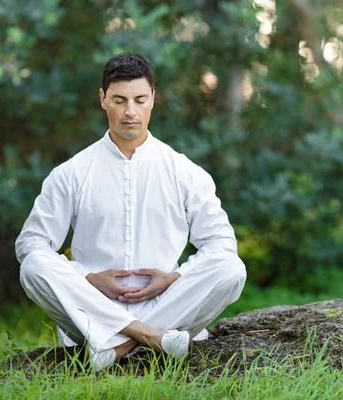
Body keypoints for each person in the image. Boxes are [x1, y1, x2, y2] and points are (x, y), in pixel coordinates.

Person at [16, 52, 246, 370]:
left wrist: (173, 278)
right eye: (120, 100)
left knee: (231, 268)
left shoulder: (184, 171)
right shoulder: (71, 172)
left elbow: (221, 245)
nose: (130, 112)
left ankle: (114, 345)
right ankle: (151, 338)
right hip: (89, 307)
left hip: (169, 304)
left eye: (139, 99)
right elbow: (31, 244)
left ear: (153, 98)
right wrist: (88, 278)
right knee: (32, 265)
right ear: (103, 99)